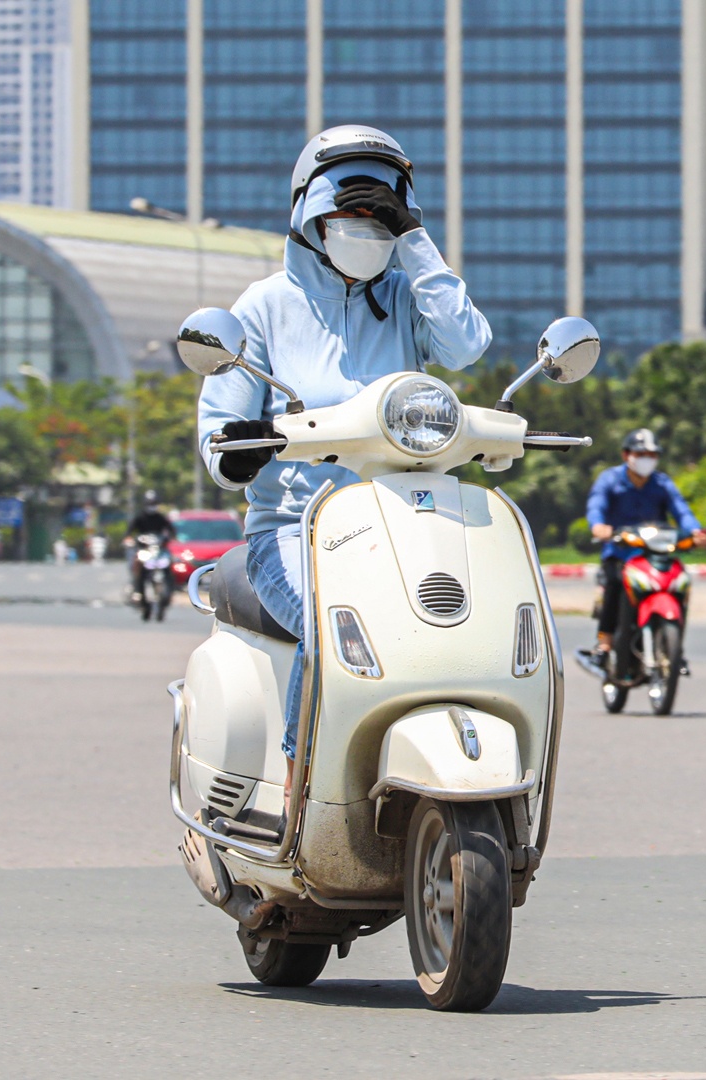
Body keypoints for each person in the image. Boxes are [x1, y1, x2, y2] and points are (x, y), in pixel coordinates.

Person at [197, 125, 492, 793]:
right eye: (347, 213)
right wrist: (245, 447)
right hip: (297, 531)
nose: (364, 228)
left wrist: (414, 242)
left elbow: (467, 345)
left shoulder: (405, 300)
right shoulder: (264, 307)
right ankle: (307, 792)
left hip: (409, 522)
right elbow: (218, 434)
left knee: (474, 626)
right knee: (340, 629)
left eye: (379, 216)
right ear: (308, 217)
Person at [584, 428, 706, 664]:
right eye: (641, 453)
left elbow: (681, 510)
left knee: (679, 583)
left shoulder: (662, 484)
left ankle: (674, 649)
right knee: (614, 583)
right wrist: (598, 526)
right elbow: (596, 506)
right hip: (620, 554)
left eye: (652, 455)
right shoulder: (609, 480)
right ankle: (604, 644)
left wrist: (695, 532)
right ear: (626, 455)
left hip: (655, 554)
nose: (647, 459)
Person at [125, 491, 176, 601]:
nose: (152, 506)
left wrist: (171, 538)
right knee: (137, 563)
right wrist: (129, 540)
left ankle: (171, 588)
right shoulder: (140, 517)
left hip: (159, 550)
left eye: (154, 503)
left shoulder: (160, 518)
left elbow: (171, 531)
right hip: (144, 550)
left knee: (170, 563)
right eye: (150, 503)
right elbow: (129, 532)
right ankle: (137, 588)